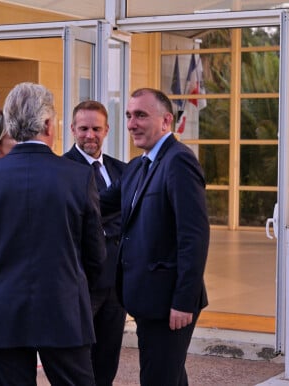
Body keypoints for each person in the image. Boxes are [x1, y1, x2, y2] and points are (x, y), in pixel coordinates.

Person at [0, 82, 106, 385]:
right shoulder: (78, 176)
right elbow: (96, 253)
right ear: (47, 124)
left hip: (4, 307)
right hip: (64, 305)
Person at [101, 88, 209, 386]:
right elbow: (97, 204)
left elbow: (194, 236)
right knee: (169, 376)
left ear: (166, 121)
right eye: (129, 115)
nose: (132, 123)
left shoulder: (179, 162)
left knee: (158, 377)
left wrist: (184, 301)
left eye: (141, 115)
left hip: (170, 302)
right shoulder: (137, 166)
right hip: (145, 298)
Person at [63, 100, 127, 386]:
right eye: (84, 129)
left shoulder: (123, 170)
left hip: (116, 282)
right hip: (81, 282)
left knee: (108, 357)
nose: (90, 135)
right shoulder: (61, 170)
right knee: (77, 360)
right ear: (73, 129)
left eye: (96, 129)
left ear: (107, 130)